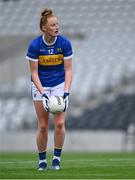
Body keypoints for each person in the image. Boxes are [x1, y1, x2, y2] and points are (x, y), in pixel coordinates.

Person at [26, 8, 73, 171]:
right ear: (44, 28)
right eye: (53, 25)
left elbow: (68, 70)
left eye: (57, 24)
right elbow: (34, 72)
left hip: (59, 84)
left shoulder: (64, 43)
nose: (57, 27)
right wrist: (43, 94)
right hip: (41, 84)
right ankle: (42, 161)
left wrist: (66, 92)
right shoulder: (34, 45)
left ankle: (56, 159)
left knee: (59, 124)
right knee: (43, 125)